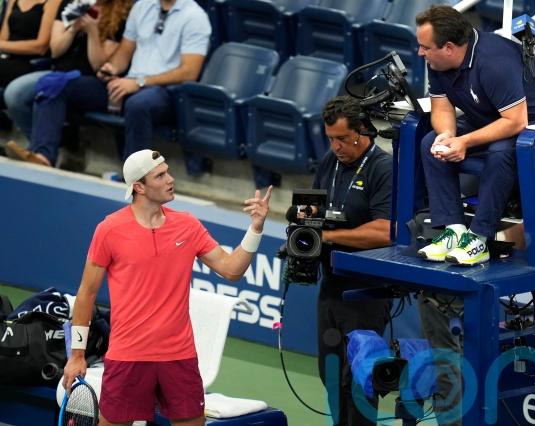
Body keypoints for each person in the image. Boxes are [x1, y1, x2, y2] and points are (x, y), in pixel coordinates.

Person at [62, 149, 273, 425]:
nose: (170, 179)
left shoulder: (188, 225)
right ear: (139, 187)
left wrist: (255, 228)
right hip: (128, 355)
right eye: (160, 176)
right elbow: (86, 293)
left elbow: (232, 269)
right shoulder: (109, 229)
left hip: (179, 356)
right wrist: (77, 355)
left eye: (168, 172)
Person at [415, 5, 535, 266]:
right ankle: (454, 230)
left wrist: (464, 141)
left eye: (425, 47)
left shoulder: (493, 61)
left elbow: (516, 121)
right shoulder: (438, 62)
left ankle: (478, 238)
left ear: (448, 47)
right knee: (432, 143)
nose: (420, 52)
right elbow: (441, 108)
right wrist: (448, 135)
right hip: (493, 117)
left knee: (500, 152)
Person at [3, 0, 211, 168]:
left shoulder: (195, 17)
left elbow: (189, 72)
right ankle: (43, 155)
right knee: (56, 84)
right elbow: (124, 54)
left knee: (139, 104)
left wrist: (139, 82)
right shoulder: (143, 7)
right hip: (129, 82)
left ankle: (134, 178)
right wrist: (111, 69)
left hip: (163, 91)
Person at [311, 96, 392, 425]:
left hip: (366, 292)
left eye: (343, 138)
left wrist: (330, 237)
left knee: (359, 380)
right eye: (330, 138)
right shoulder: (329, 162)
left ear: (362, 130)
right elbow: (316, 208)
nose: (336, 147)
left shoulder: (382, 168)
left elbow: (386, 231)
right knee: (329, 373)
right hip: (331, 286)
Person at [3, 0, 132, 143]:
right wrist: (72, 30)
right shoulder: (70, 4)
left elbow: (99, 65)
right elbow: (55, 51)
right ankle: (48, 143)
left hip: (89, 78)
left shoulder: (121, 14)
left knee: (52, 88)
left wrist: (92, 32)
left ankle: (44, 147)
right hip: (57, 72)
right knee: (15, 93)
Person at [0, 0, 59, 87]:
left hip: (32, 63)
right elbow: (3, 38)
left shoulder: (53, 2)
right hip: (8, 58)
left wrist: (3, 45)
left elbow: (41, 47)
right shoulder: (13, 1)